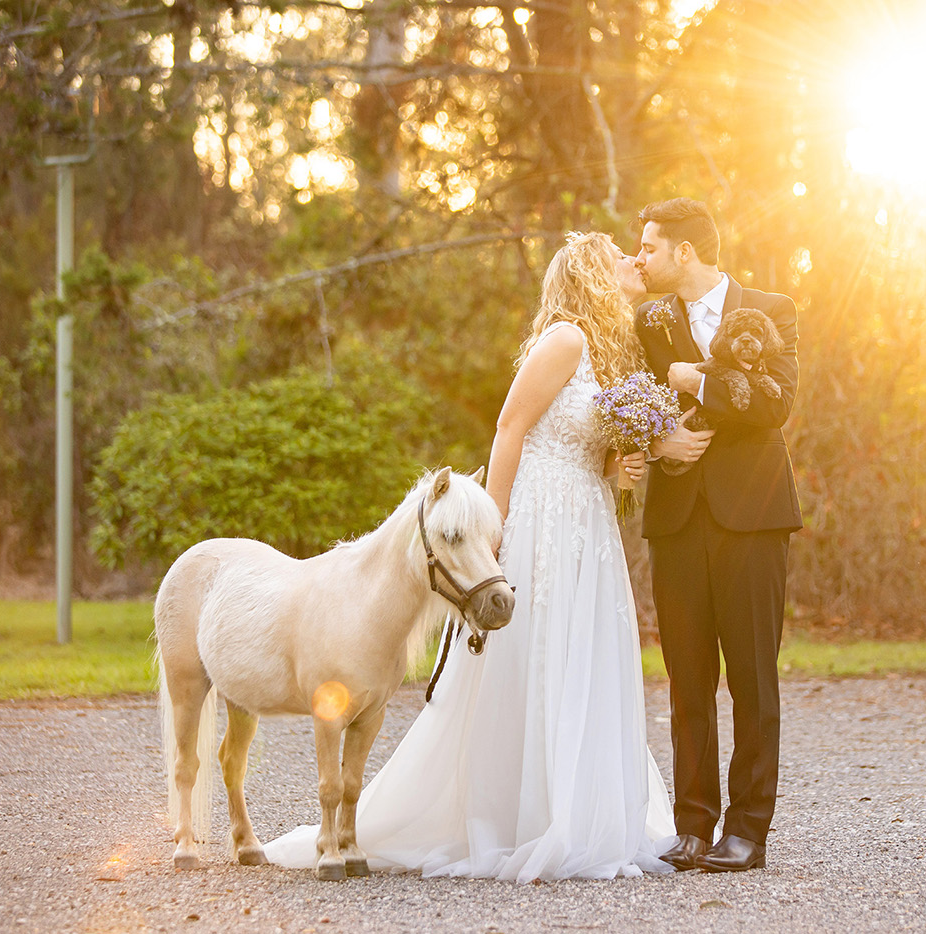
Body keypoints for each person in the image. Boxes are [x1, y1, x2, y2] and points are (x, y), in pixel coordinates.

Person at [264, 232, 675, 882]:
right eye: (619, 253)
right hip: (540, 515)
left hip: (587, 518)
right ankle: (522, 818)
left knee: (579, 651)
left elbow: (580, 436)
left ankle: (573, 809)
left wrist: (616, 466)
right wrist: (495, 527)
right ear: (592, 274)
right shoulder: (565, 339)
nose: (633, 260)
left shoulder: (608, 351)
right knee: (535, 652)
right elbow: (510, 428)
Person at [632, 198, 802, 873]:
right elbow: (627, 400)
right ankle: (693, 826)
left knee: (754, 679)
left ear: (684, 252)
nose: (641, 257)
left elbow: (775, 402)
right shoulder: (648, 321)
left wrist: (694, 375)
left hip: (754, 518)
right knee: (687, 681)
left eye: (649, 246)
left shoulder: (774, 308)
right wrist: (656, 437)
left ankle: (748, 831)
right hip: (676, 521)